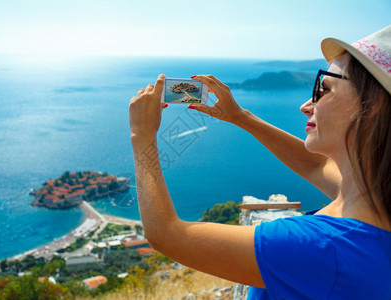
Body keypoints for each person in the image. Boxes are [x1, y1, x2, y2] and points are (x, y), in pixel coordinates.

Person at [129, 26, 391, 299]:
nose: (306, 105)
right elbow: (315, 166)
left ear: (373, 105)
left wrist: (142, 135)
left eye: (324, 88)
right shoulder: (376, 201)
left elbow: (166, 235)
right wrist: (240, 116)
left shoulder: (320, 246)